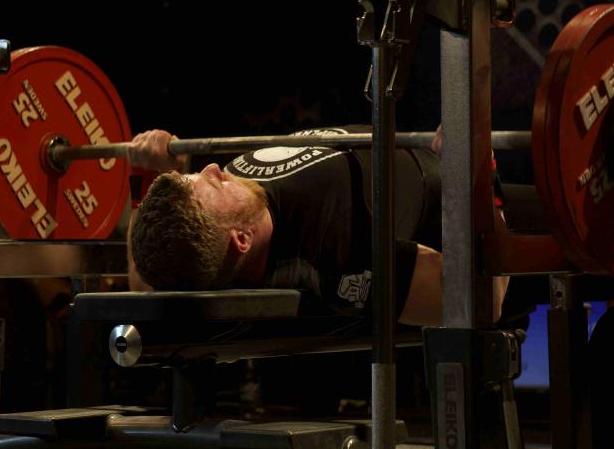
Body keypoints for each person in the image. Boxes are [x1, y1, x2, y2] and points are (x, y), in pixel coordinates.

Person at [126, 127, 510, 326]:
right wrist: (478, 176)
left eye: (194, 175)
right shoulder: (334, 257)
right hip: (472, 199)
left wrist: (150, 176)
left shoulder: (226, 219)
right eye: (211, 185)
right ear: (241, 239)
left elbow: (144, 280)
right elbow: (482, 304)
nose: (211, 168)